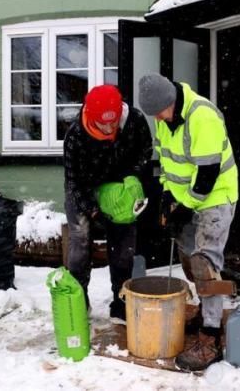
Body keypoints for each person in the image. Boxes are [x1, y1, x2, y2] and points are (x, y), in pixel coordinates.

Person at [138, 73, 238, 371]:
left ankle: (211, 336)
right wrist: (168, 198)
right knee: (187, 258)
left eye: (160, 111)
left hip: (215, 197)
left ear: (172, 100)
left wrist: (185, 206)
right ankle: (206, 310)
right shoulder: (162, 119)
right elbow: (167, 164)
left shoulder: (202, 116)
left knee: (205, 264)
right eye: (153, 114)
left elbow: (207, 177)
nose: (157, 118)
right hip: (186, 199)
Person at [63, 84, 152, 321]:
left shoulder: (134, 120)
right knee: (80, 240)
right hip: (86, 187)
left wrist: (131, 179)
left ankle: (120, 301)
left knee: (124, 245)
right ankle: (78, 299)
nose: (109, 128)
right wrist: (93, 211)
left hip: (120, 189)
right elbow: (74, 182)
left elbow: (145, 150)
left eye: (113, 124)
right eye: (103, 125)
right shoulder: (76, 134)